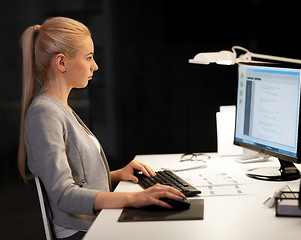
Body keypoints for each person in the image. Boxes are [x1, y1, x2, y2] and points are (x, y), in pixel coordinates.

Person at [17, 16, 184, 240]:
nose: (95, 65)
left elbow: (78, 178)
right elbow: (63, 195)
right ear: (61, 62)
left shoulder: (57, 108)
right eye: (88, 57)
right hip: (80, 233)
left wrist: (115, 175)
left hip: (92, 225)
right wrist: (134, 199)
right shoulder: (44, 114)